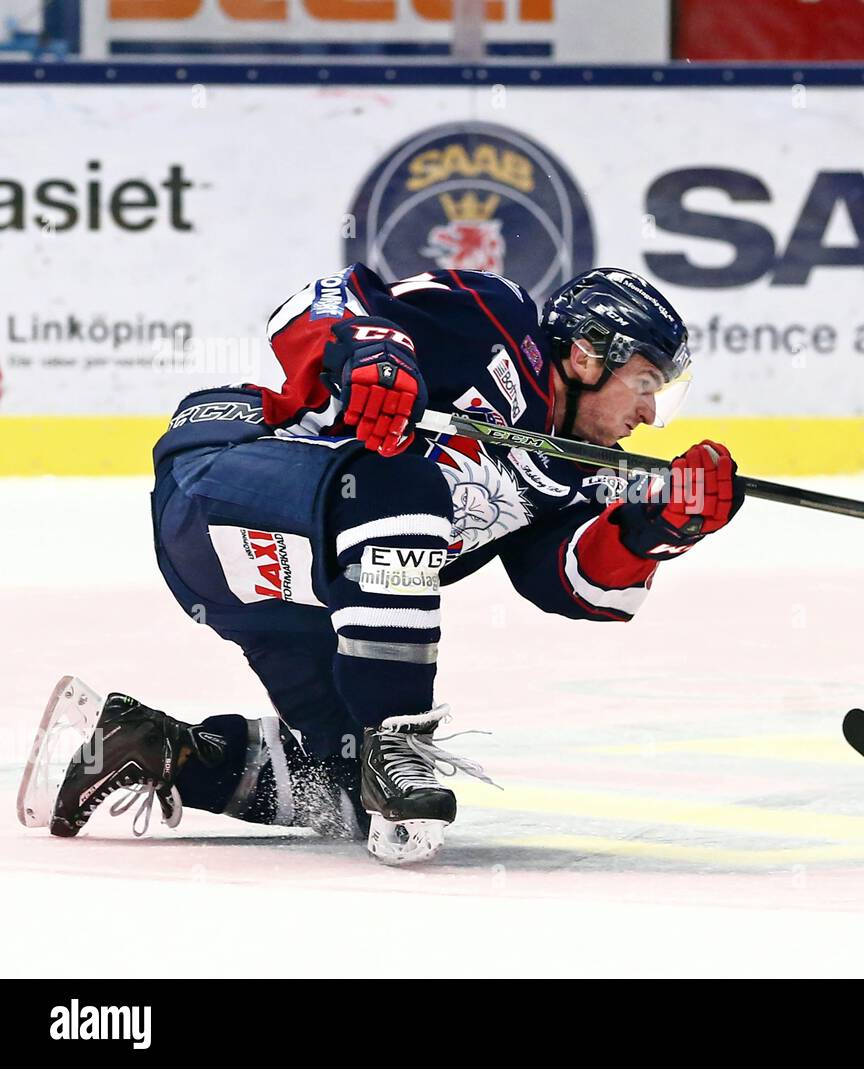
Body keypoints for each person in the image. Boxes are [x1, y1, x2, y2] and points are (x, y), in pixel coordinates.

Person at [23, 265, 744, 865]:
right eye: (646, 381)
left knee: (344, 793)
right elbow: (319, 304)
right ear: (588, 353)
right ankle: (397, 736)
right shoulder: (497, 320)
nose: (649, 414)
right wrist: (374, 351)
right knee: (402, 483)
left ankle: (153, 746)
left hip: (287, 593)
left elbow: (570, 580)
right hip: (223, 480)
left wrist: (662, 524)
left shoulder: (581, 472)